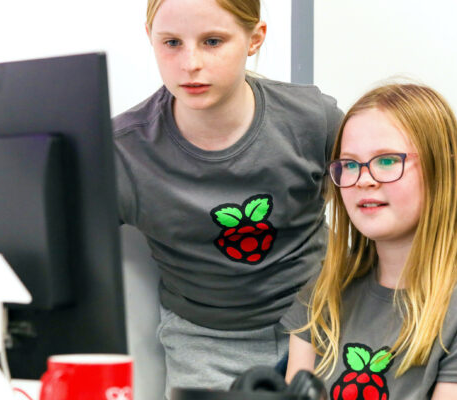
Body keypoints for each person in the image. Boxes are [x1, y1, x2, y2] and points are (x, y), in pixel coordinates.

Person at [113, 0, 343, 397]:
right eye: (171, 43)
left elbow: (382, 201)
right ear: (150, 39)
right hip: (204, 344)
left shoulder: (311, 120)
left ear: (255, 39)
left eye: (213, 41)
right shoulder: (124, 152)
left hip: (321, 327)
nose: (190, 63)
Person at [281, 83, 457, 399]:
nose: (364, 179)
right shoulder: (323, 293)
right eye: (349, 165)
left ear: (441, 168)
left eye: (386, 161)